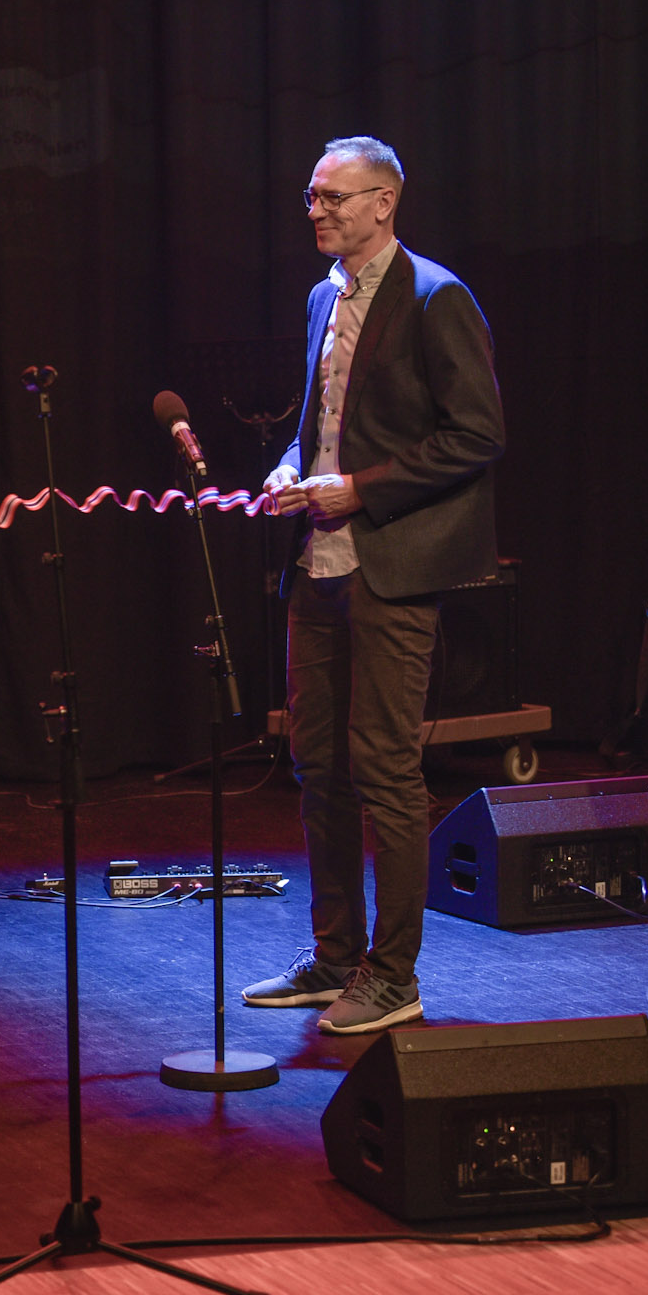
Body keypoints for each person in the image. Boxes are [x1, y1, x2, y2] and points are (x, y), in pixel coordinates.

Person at [243, 137, 506, 1035]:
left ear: (384, 202)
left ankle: (394, 977)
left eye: (334, 197)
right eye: (312, 197)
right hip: (317, 565)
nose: (317, 211)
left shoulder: (435, 296)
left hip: (391, 564)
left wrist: (361, 488)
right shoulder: (325, 296)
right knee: (317, 765)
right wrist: (290, 468)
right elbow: (324, 424)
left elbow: (477, 434)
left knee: (385, 769)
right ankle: (334, 958)